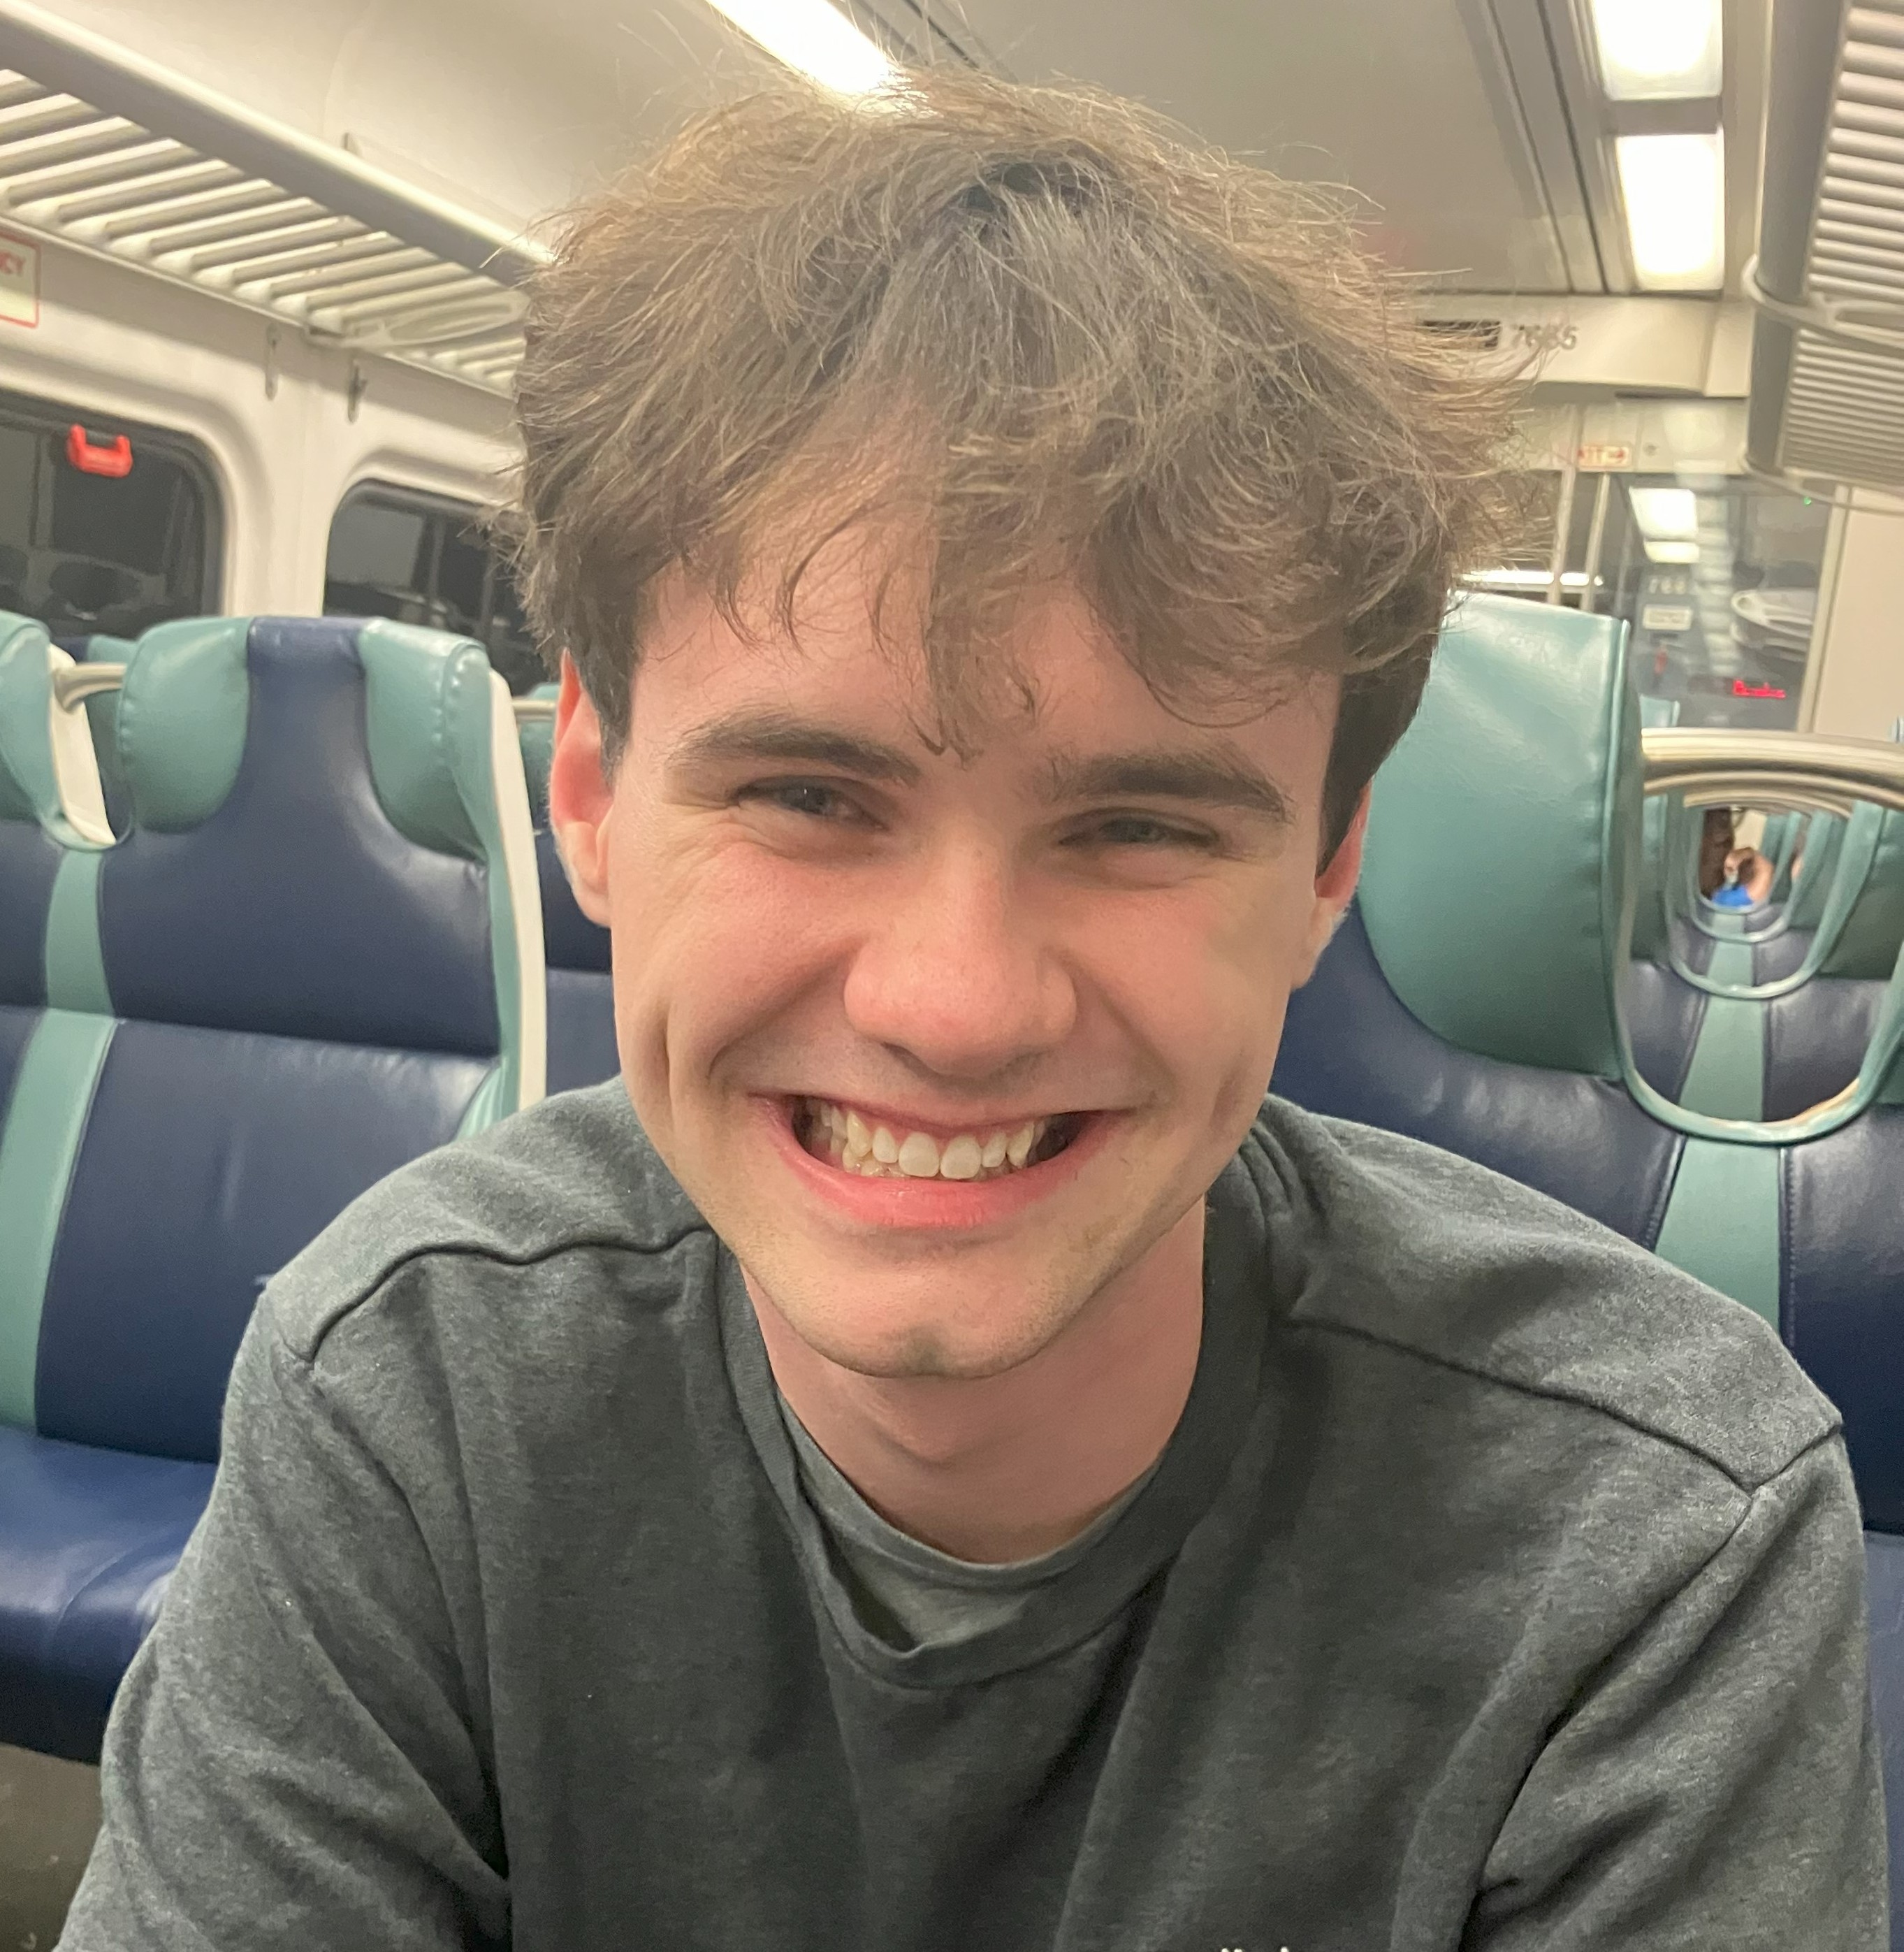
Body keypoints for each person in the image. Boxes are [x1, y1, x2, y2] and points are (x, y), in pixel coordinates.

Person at [62, 73, 1883, 1951]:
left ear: (1327, 873)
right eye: (811, 796)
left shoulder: (1649, 1543)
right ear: (591, 798)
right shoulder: (412, 1388)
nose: (953, 1003)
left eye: (1137, 824)